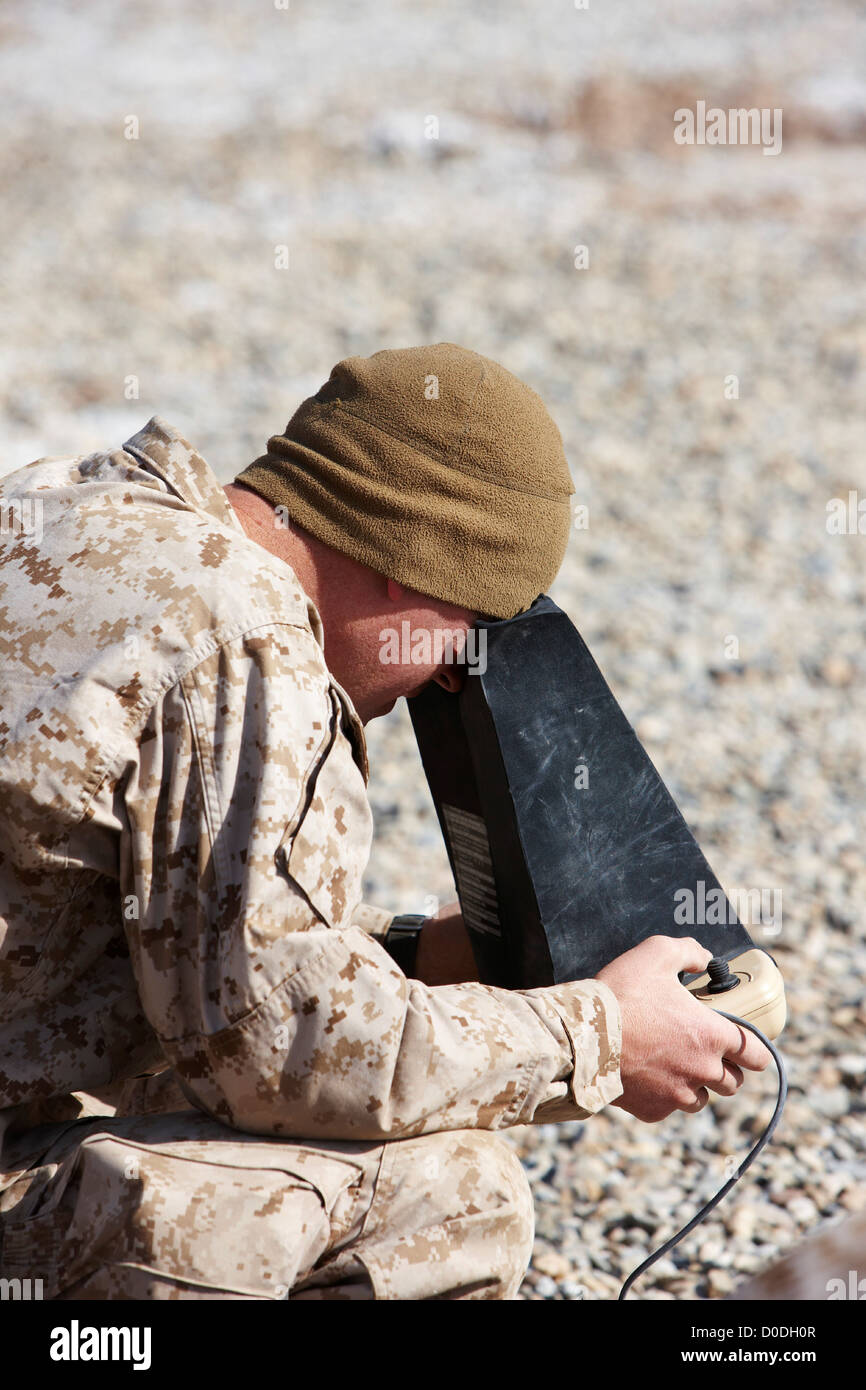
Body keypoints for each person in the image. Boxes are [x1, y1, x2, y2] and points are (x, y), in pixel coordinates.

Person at [0, 343, 769, 1300]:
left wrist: (428, 956)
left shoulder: (75, 507)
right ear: (408, 565)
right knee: (450, 1198)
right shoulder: (241, 638)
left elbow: (172, 940)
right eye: (471, 631)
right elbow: (278, 1052)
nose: (449, 678)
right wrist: (601, 1037)